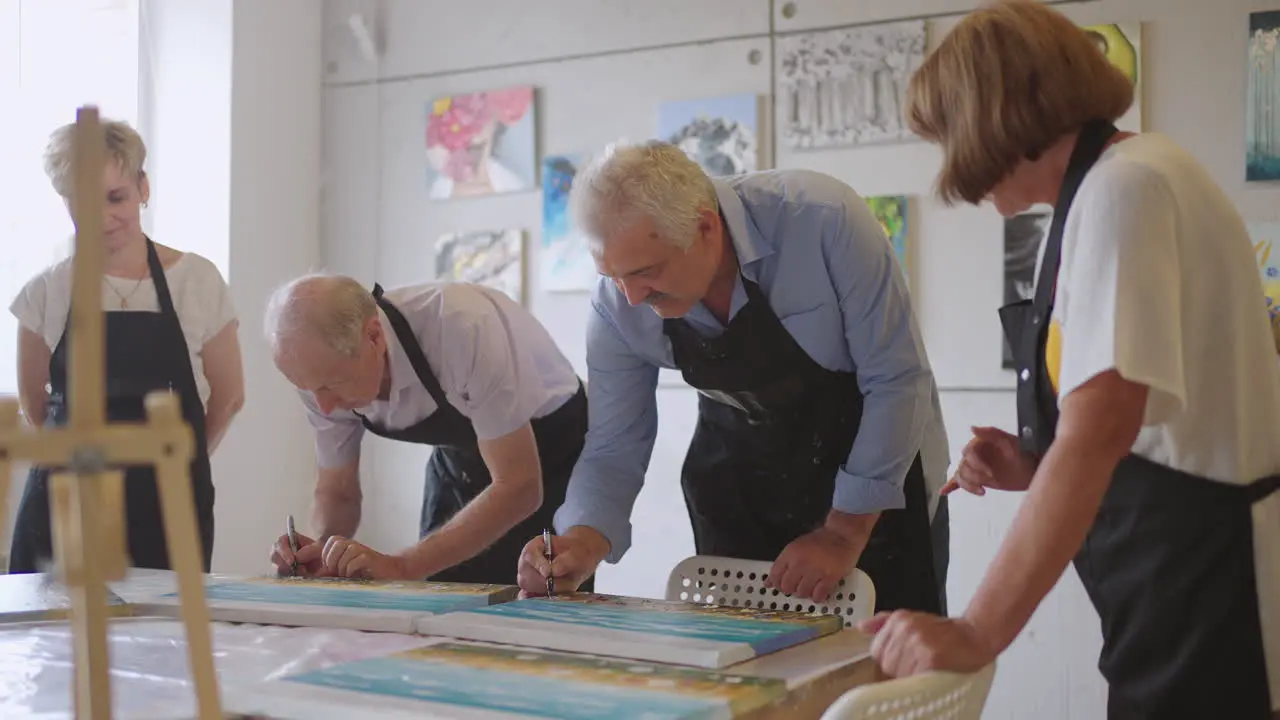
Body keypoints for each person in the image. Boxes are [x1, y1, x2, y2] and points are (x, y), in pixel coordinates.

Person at [859, 3, 1280, 719]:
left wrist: (974, 632)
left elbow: (1100, 430)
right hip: (1171, 578)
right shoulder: (1114, 185)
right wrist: (1033, 464)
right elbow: (1146, 423)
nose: (953, 163)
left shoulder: (1127, 187)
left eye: (948, 136)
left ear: (996, 114)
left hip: (1209, 586)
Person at [517, 140, 951, 611]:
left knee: (886, 665)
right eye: (613, 275)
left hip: (873, 487)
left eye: (647, 272)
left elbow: (896, 379)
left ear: (705, 227)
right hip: (742, 490)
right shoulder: (616, 301)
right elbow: (613, 444)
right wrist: (581, 540)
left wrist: (843, 532)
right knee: (749, 670)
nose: (633, 297)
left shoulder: (824, 220)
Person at [8, 118, 244, 573]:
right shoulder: (45, 293)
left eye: (116, 197)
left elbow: (229, 395)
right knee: (54, 640)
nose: (103, 217)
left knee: (166, 637)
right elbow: (36, 406)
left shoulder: (196, 281)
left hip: (169, 508)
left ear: (143, 188)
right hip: (66, 506)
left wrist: (180, 464)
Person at [264, 274, 590, 587]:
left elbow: (520, 486)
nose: (324, 407)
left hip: (553, 453)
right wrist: (321, 551)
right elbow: (338, 492)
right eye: (308, 390)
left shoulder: (461, 327)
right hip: (460, 463)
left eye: (332, 386)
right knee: (441, 612)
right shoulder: (320, 369)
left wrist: (402, 565)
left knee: (541, 601)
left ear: (374, 337)